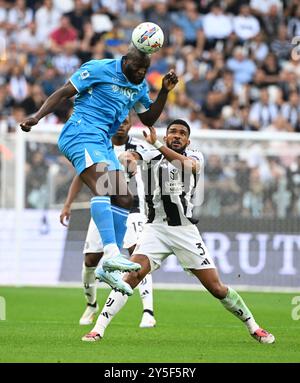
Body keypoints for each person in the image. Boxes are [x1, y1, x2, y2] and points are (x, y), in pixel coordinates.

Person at [82, 119, 275, 344]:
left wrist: (158, 145)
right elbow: (133, 157)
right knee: (130, 277)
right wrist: (128, 160)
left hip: (185, 232)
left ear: (188, 140)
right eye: (172, 131)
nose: (176, 136)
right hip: (155, 230)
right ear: (166, 135)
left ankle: (254, 327)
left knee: (216, 288)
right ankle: (98, 329)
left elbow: (188, 166)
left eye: (182, 133)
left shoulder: (194, 156)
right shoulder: (151, 153)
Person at [20, 45, 178, 295]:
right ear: (125, 62)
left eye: (144, 70)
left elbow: (148, 119)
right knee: (104, 187)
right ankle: (112, 253)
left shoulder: (139, 86)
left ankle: (108, 269)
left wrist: (165, 93)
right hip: (81, 132)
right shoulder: (98, 68)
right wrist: (37, 117)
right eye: (137, 69)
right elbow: (63, 92)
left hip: (102, 141)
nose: (140, 74)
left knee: (124, 197)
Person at [60, 116, 156, 328]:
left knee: (137, 256)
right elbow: (80, 175)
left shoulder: (137, 146)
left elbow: (147, 164)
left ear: (130, 124)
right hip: (104, 208)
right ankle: (91, 304)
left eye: (125, 121)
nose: (121, 124)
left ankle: (148, 311)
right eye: (118, 121)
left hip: (133, 210)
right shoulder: (99, 144)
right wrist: (68, 204)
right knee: (90, 261)